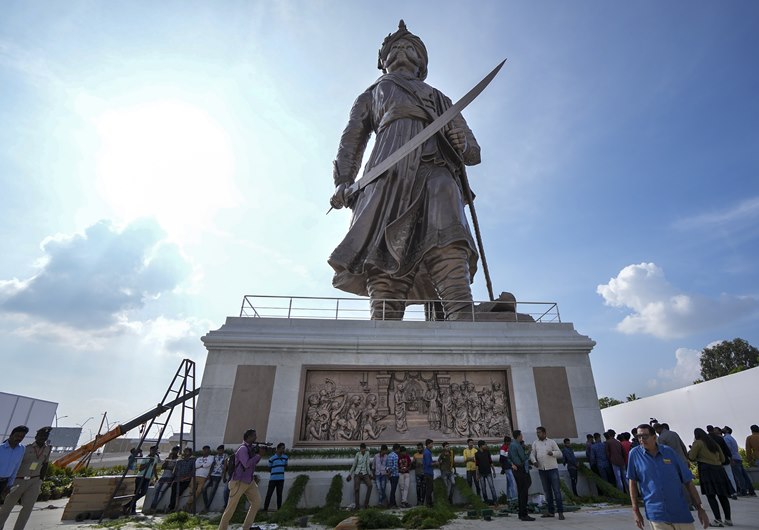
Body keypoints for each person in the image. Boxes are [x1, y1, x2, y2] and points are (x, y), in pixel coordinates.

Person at [328, 20, 482, 321]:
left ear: (421, 61)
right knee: (383, 247)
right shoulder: (371, 94)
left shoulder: (440, 99)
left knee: (447, 231)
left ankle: (462, 314)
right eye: (395, 47)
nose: (401, 49)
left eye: (409, 47)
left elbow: (472, 153)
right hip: (386, 174)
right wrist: (343, 180)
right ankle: (384, 321)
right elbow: (352, 139)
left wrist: (462, 143)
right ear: (383, 61)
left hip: (435, 167)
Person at [627, 423, 709, 530]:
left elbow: (688, 481)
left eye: (645, 436)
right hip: (657, 514)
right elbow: (632, 482)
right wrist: (636, 511)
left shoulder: (668, 452)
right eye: (639, 437)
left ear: (654, 437)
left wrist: (700, 508)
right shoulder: (634, 454)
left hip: (680, 512)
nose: (641, 439)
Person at [0, 426, 50, 530]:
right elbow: (15, 464)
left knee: (27, 508)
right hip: (19, 480)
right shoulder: (25, 448)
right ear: (36, 436)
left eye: (45, 436)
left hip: (34, 481)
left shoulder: (48, 449)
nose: (43, 438)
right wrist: (10, 482)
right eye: (41, 436)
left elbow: (45, 465)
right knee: (7, 507)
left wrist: (41, 480)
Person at [218, 428, 265, 530]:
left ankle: (246, 528)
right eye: (254, 436)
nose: (256, 437)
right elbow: (246, 464)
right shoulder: (243, 449)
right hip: (239, 481)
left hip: (249, 481)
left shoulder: (250, 448)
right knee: (230, 508)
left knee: (256, 502)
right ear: (248, 437)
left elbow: (253, 463)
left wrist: (258, 455)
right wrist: (258, 455)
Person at [688, 428, 733, 528]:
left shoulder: (698, 443)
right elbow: (723, 458)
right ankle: (728, 519)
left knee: (711, 496)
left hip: (706, 470)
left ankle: (718, 519)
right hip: (719, 470)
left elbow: (691, 457)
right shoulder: (714, 443)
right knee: (723, 496)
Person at [530, 426, 564, 520]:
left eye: (539, 432)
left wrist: (552, 453)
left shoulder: (551, 442)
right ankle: (550, 511)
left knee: (556, 491)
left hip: (552, 469)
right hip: (542, 470)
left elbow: (560, 453)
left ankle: (560, 512)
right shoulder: (535, 443)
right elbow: (532, 454)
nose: (538, 434)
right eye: (537, 432)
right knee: (547, 492)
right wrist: (534, 461)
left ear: (544, 433)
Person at [126, 445, 160, 514]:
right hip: (141, 476)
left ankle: (128, 504)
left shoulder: (155, 458)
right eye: (153, 450)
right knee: (136, 492)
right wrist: (148, 463)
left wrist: (156, 477)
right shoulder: (146, 458)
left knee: (143, 492)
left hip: (147, 477)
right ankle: (132, 509)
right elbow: (140, 468)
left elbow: (154, 468)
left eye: (155, 451)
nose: (154, 452)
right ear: (150, 450)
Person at [722, 426, 755, 496]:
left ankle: (743, 491)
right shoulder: (731, 438)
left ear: (727, 430)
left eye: (724, 428)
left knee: (738, 476)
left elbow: (728, 449)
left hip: (733, 458)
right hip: (737, 458)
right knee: (744, 475)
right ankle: (751, 490)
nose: (722, 429)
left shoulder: (726, 438)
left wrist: (730, 458)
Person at [509, 430, 534, 521]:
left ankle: (521, 514)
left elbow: (508, 458)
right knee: (524, 492)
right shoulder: (517, 445)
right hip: (521, 469)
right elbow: (523, 458)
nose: (522, 436)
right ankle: (524, 514)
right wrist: (529, 451)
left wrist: (512, 464)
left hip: (516, 470)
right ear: (519, 436)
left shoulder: (511, 445)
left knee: (520, 492)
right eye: (521, 435)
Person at [0, 426, 28, 507]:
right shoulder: (1, 448)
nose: (19, 438)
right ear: (11, 435)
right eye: (17, 435)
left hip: (4, 483)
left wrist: (10, 484)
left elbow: (16, 467)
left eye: (22, 437)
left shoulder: (22, 449)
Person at [149, 445, 179, 513]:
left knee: (162, 492)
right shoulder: (168, 458)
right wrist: (168, 460)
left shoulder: (177, 460)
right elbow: (163, 467)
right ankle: (153, 507)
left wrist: (169, 467)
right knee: (157, 491)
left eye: (176, 451)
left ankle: (155, 506)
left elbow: (174, 470)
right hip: (163, 477)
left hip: (170, 478)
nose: (174, 452)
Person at [347, 442, 373, 509]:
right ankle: (357, 505)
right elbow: (354, 465)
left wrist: (370, 474)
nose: (363, 450)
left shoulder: (367, 454)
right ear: (360, 449)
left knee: (370, 485)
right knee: (356, 489)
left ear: (365, 449)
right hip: (357, 473)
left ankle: (366, 504)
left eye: (364, 449)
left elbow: (367, 465)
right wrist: (350, 474)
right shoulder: (357, 454)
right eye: (361, 449)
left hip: (365, 473)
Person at [264, 443, 288, 511]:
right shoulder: (272, 458)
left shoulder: (285, 457)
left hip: (281, 479)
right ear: (278, 449)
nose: (283, 450)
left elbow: (286, 466)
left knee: (279, 494)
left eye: (284, 448)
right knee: (269, 494)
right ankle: (265, 508)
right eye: (282, 448)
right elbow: (269, 468)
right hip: (273, 479)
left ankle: (279, 509)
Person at [170, 447, 195, 512]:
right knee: (173, 491)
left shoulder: (192, 461)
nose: (186, 453)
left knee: (179, 491)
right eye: (185, 451)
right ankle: (171, 507)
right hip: (177, 479)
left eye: (187, 451)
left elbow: (193, 472)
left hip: (186, 480)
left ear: (190, 453)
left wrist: (185, 478)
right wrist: (176, 478)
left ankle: (175, 507)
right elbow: (175, 471)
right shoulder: (179, 461)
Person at [202, 445, 226, 512]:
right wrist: (209, 474)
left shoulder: (225, 456)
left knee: (212, 492)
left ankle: (206, 508)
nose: (220, 451)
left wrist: (223, 476)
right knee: (203, 489)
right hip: (212, 474)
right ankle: (206, 505)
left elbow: (225, 467)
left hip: (218, 476)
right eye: (219, 450)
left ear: (223, 450)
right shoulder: (215, 456)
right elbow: (212, 466)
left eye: (221, 450)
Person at [189, 445, 212, 510]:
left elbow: (208, 464)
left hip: (203, 476)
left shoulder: (211, 457)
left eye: (207, 450)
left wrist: (201, 465)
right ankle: (190, 507)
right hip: (195, 475)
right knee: (191, 491)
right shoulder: (199, 458)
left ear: (209, 451)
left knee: (198, 491)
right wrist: (202, 465)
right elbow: (196, 466)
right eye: (204, 450)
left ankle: (188, 504)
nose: (205, 451)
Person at [475, 440, 497, 505]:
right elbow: (477, 465)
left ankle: (495, 500)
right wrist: (477, 474)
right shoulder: (476, 454)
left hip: (488, 472)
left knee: (492, 487)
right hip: (481, 473)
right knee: (483, 488)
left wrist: (494, 471)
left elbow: (491, 462)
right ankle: (486, 501)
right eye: (485, 445)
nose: (486, 446)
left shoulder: (487, 452)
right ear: (481, 446)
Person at [498, 435, 517, 501]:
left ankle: (508, 497)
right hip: (507, 466)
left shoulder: (508, 447)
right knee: (512, 481)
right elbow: (501, 458)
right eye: (509, 442)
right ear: (506, 442)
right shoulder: (503, 448)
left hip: (509, 466)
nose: (510, 443)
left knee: (509, 482)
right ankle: (514, 497)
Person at [385, 443, 400, 507]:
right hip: (395, 475)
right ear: (397, 449)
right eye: (399, 449)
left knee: (393, 489)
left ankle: (394, 503)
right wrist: (390, 472)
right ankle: (392, 503)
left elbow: (386, 466)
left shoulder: (388, 455)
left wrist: (388, 472)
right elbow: (395, 466)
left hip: (390, 475)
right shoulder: (396, 456)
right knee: (393, 490)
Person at [422, 439, 434, 506]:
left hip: (428, 472)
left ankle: (429, 502)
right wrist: (436, 463)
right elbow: (428, 463)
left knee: (430, 488)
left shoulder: (428, 452)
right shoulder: (427, 453)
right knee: (429, 488)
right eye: (431, 444)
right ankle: (428, 503)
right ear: (428, 444)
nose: (432, 445)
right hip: (428, 472)